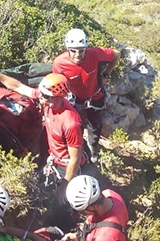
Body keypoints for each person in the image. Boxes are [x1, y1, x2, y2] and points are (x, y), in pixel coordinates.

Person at [52, 29, 121, 161]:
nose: (77, 54)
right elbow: (58, 82)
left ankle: (93, 151)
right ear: (68, 49)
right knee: (76, 126)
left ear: (86, 48)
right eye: (73, 50)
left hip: (95, 97)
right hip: (75, 99)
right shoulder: (59, 63)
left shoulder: (94, 54)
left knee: (94, 127)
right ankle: (79, 153)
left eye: (81, 50)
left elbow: (116, 54)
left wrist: (106, 74)